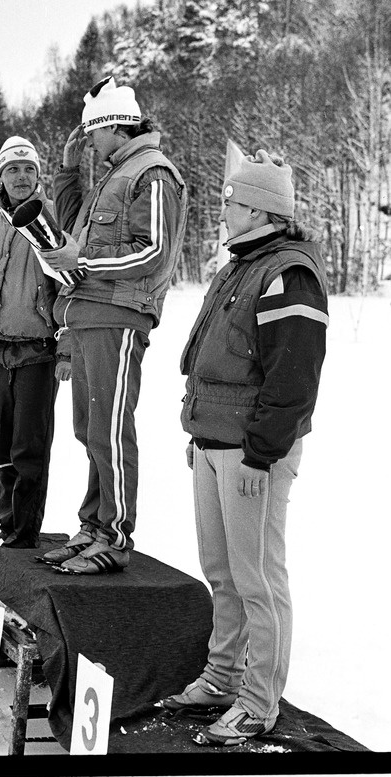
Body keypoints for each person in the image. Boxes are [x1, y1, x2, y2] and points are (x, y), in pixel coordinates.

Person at [161, 150, 329, 746]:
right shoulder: (239, 264)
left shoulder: (287, 272)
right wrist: (200, 432)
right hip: (214, 442)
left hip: (252, 453)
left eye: (231, 201)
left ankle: (259, 701)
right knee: (222, 571)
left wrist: (260, 452)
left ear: (258, 208)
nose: (223, 209)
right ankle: (223, 678)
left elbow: (294, 377)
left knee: (258, 577)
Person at [38, 76, 188, 575]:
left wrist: (82, 265)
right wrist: (65, 175)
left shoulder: (154, 173)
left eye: (91, 133)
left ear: (114, 128)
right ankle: (95, 526)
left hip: (120, 317)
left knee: (109, 428)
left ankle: (117, 535)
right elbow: (79, 229)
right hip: (87, 318)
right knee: (89, 429)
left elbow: (155, 251)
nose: (88, 142)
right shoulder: (116, 174)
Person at [0, 136, 71, 559]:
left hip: (39, 353)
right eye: (13, 169)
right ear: (0, 177)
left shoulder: (51, 223)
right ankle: (7, 530)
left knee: (29, 445)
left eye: (28, 169)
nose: (21, 177)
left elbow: (72, 290)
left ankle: (24, 537)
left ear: (38, 176)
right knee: (2, 445)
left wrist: (66, 351)